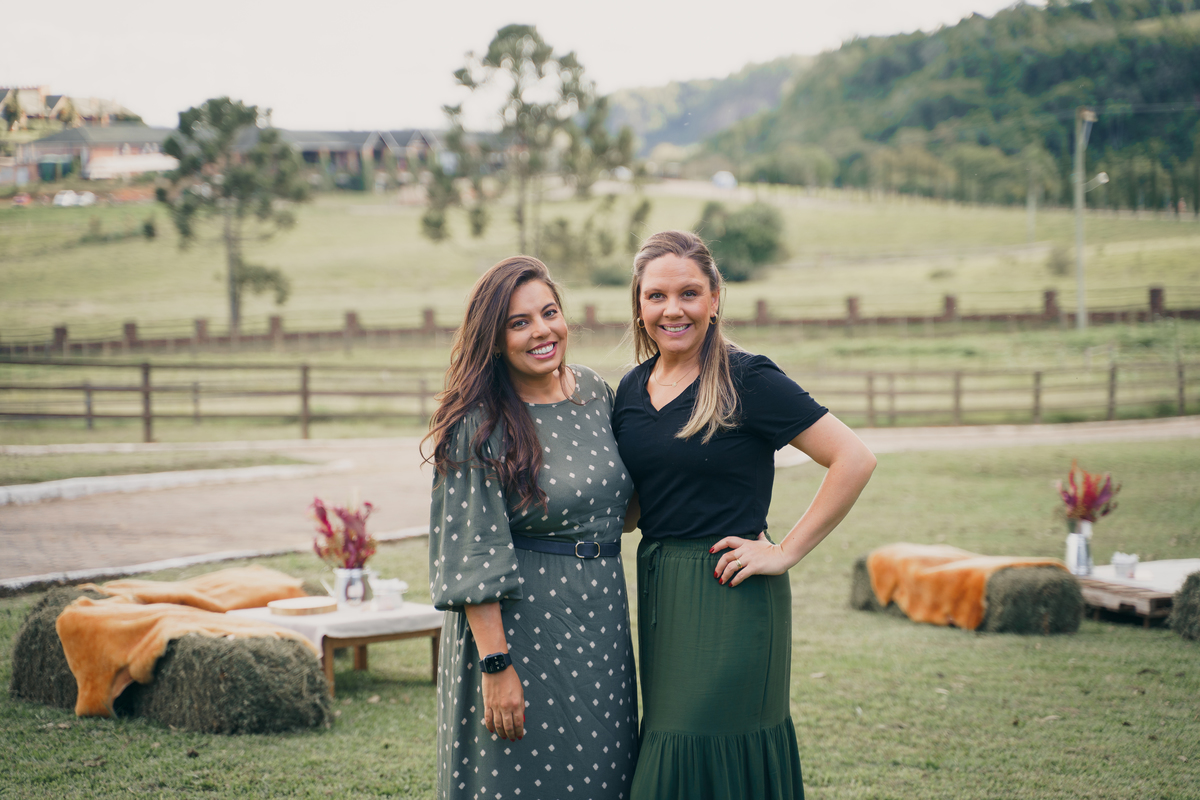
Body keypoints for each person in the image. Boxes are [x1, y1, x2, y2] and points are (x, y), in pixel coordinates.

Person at [612, 231, 877, 800]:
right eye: (656, 295)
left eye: (689, 293)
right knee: (667, 736)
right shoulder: (630, 390)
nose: (672, 309)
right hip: (660, 587)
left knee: (699, 745)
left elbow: (852, 457)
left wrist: (785, 551)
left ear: (714, 299)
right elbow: (634, 507)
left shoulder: (746, 377)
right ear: (638, 303)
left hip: (729, 585)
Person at [424, 256, 638, 800]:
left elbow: (622, 504)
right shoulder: (477, 421)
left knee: (602, 770)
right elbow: (472, 551)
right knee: (519, 776)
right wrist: (497, 666)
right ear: (494, 340)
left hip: (601, 617)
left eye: (549, 313)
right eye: (520, 323)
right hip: (519, 627)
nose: (542, 331)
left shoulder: (593, 391)